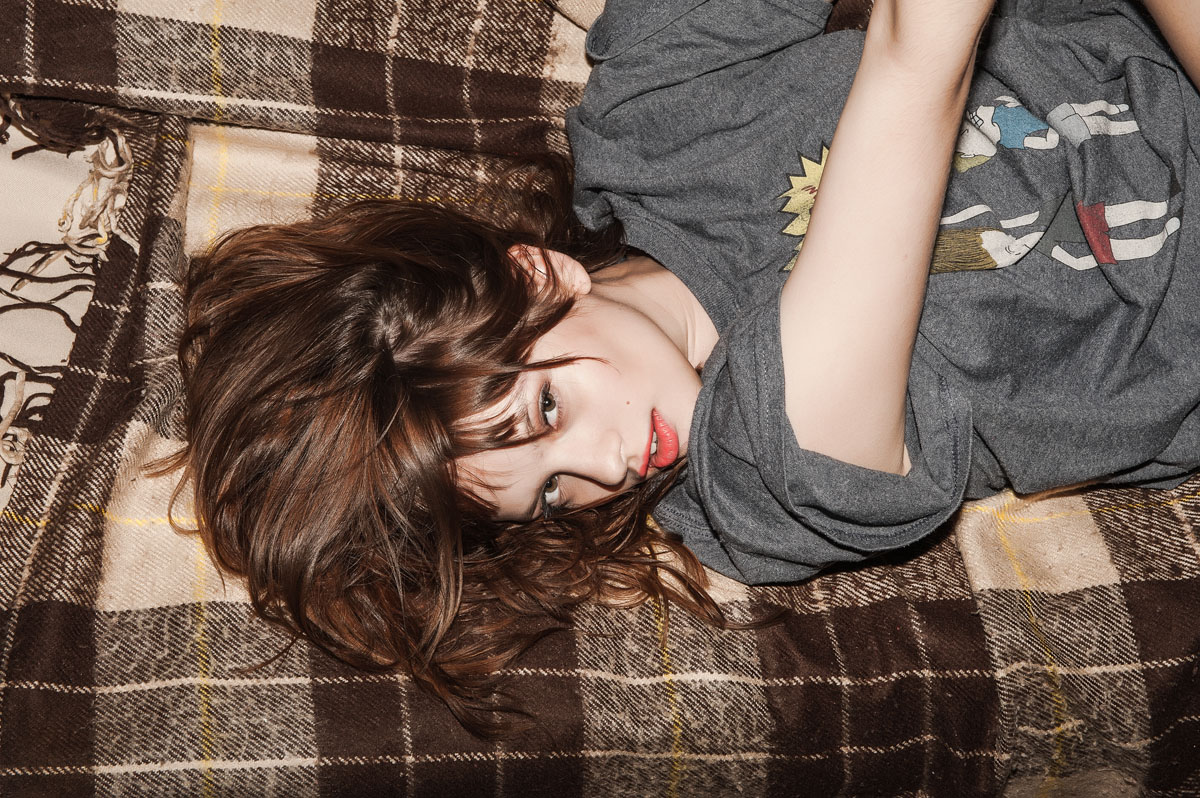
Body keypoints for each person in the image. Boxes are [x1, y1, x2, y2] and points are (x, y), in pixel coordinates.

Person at [173, 0, 1200, 733]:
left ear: (532, 277)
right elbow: (915, 59)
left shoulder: (657, 123)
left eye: (545, 413)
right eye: (549, 495)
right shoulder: (751, 483)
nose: (609, 467)